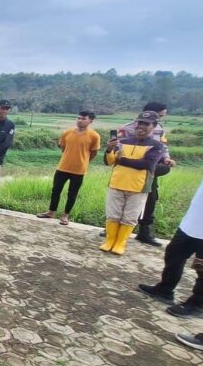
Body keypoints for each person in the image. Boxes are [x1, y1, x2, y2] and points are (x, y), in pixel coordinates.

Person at [99, 111, 164, 256]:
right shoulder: (122, 141)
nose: (141, 126)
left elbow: (147, 164)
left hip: (138, 187)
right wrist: (109, 150)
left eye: (146, 124)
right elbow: (109, 161)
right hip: (116, 183)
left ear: (154, 126)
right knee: (113, 215)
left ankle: (120, 243)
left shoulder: (157, 146)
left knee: (130, 217)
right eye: (139, 123)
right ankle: (110, 241)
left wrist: (121, 160)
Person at [137, 178, 203, 318]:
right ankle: (165, 289)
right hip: (192, 222)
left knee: (202, 269)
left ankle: (197, 304)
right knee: (173, 254)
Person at [36, 110, 100, 225]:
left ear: (90, 120)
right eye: (78, 118)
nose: (79, 121)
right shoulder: (67, 132)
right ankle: (51, 212)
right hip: (62, 167)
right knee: (55, 190)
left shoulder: (94, 136)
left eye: (83, 119)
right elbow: (63, 148)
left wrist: (84, 161)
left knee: (72, 194)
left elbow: (94, 152)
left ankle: (65, 215)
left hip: (79, 170)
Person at [128, 102, 175, 246]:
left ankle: (144, 232)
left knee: (150, 199)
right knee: (123, 199)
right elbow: (119, 148)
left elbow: (163, 148)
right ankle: (112, 228)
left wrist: (166, 158)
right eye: (159, 116)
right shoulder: (127, 128)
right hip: (130, 170)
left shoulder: (159, 130)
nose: (159, 120)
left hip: (149, 172)